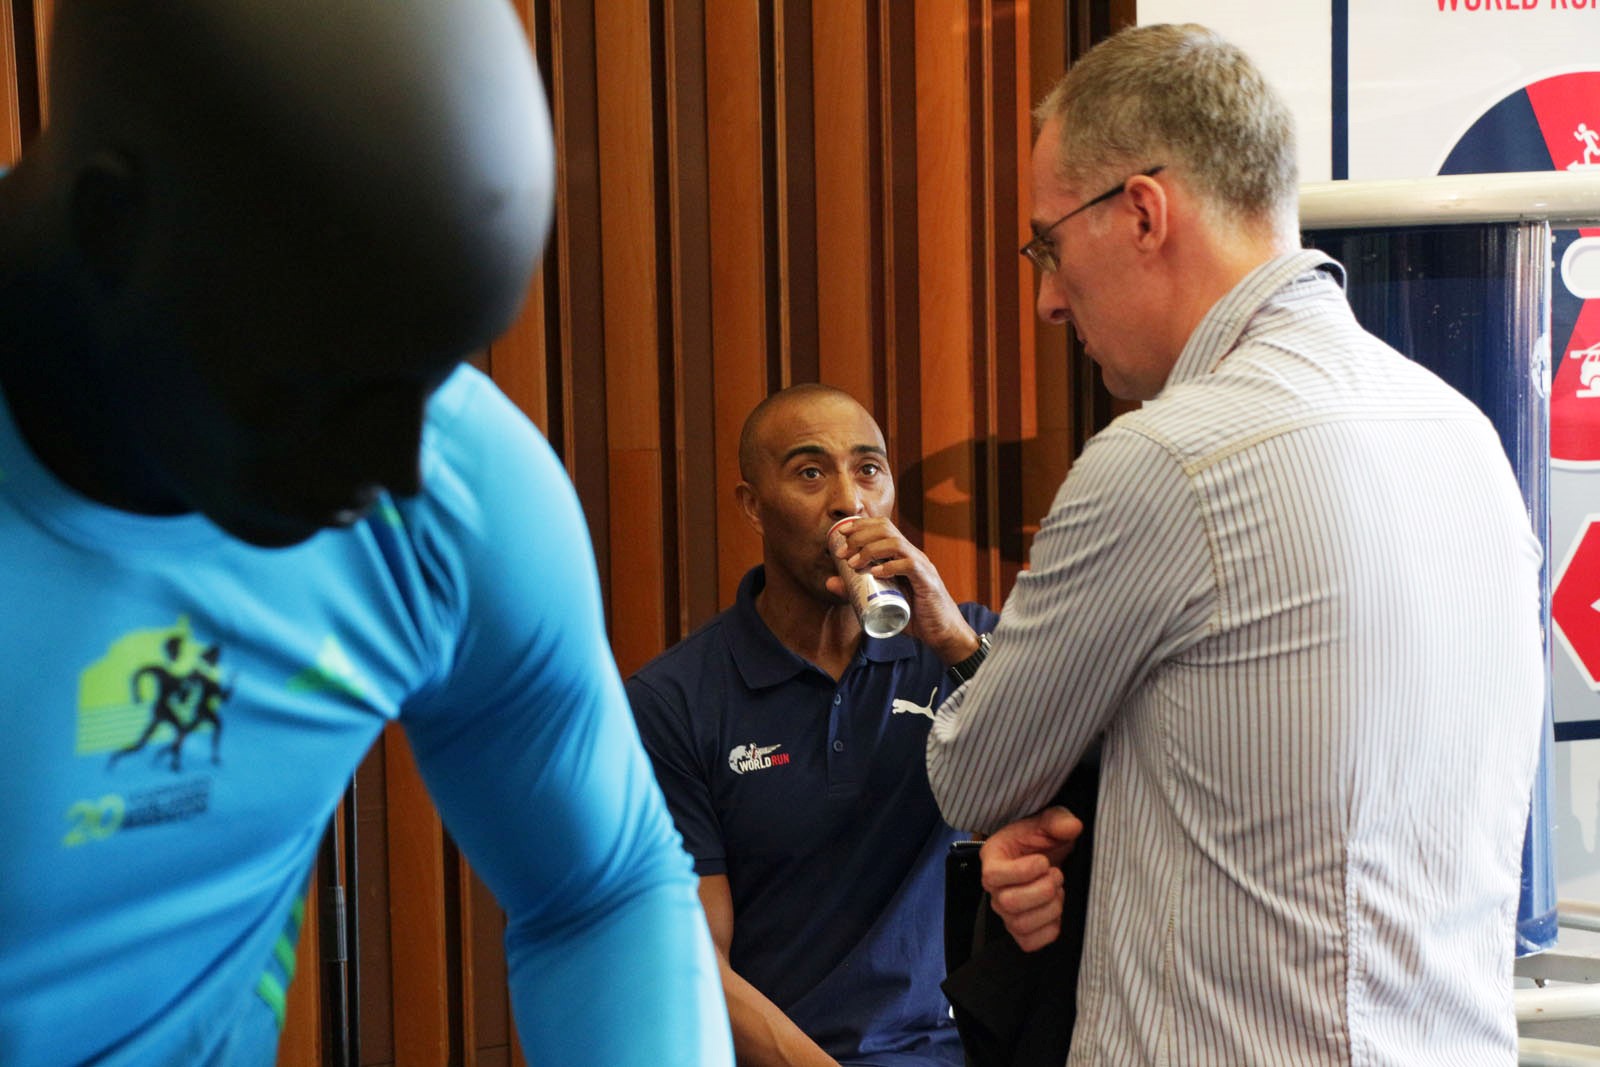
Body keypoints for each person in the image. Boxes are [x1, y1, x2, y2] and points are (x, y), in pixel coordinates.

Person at [0, 2, 733, 1064]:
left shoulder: (460, 487)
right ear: (115, 226)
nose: (398, 471)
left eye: (431, 377)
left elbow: (601, 890)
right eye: (325, 385)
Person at [926, 22, 1544, 1066]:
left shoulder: (1166, 459)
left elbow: (974, 773)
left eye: (1048, 245)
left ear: (1142, 213)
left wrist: (1049, 807)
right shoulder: (1466, 434)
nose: (1046, 298)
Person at [626, 383, 997, 1065]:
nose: (849, 502)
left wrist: (953, 640)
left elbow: (1072, 774)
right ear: (753, 506)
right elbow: (695, 959)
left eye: (869, 470)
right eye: (809, 473)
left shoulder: (960, 646)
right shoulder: (674, 700)